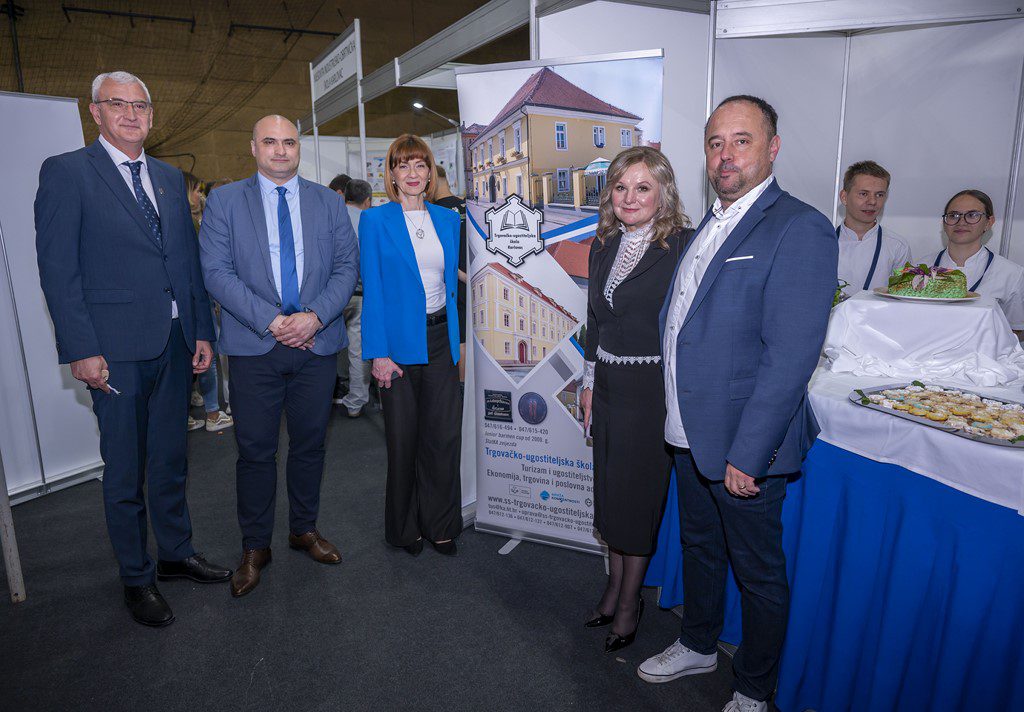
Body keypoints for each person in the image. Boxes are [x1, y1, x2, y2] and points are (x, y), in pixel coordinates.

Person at [638, 96, 837, 712]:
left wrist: (749, 454)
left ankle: (754, 685)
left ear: (772, 148)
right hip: (690, 430)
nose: (726, 155)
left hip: (744, 444)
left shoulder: (799, 228)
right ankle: (698, 644)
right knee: (700, 547)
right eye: (715, 143)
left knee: (758, 572)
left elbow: (790, 357)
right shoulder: (707, 225)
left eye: (741, 141)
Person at [34, 71, 232, 627]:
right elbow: (58, 271)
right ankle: (136, 577)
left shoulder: (167, 177)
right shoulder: (67, 172)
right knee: (125, 471)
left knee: (170, 459)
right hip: (113, 351)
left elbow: (186, 263)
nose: (130, 114)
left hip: (174, 343)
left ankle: (175, 554)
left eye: (140, 105)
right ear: (94, 112)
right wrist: (81, 348)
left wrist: (201, 331)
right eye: (116, 104)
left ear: (151, 115)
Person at [199, 115, 359, 597]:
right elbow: (216, 272)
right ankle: (255, 546)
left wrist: (314, 317)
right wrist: (272, 320)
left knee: (310, 445)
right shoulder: (225, 201)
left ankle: (303, 530)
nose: (280, 150)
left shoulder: (327, 202)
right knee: (255, 451)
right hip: (255, 348)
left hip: (317, 345)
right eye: (270, 141)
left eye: (289, 141)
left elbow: (346, 267)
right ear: (253, 148)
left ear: (298, 148)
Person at [577, 147, 691, 653]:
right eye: (621, 187)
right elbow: (595, 320)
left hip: (652, 393)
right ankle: (613, 586)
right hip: (606, 386)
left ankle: (629, 602)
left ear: (663, 192)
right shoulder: (603, 242)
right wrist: (587, 381)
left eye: (642, 187)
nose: (629, 197)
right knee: (609, 493)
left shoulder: (682, 246)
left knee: (637, 499)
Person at [360, 134, 462, 557]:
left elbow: (453, 282)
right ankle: (404, 528)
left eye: (420, 165)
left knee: (443, 437)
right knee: (403, 440)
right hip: (397, 344)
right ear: (392, 174)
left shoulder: (448, 220)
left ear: (431, 172)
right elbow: (373, 290)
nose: (413, 173)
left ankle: (440, 523)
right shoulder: (375, 221)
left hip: (440, 338)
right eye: (403, 165)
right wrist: (378, 354)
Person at [924, 189, 1024, 337]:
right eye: (953, 215)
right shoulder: (920, 268)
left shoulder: (1011, 274)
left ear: (988, 222)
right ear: (944, 223)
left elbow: (1015, 329)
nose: (961, 222)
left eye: (972, 215)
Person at [183, 171, 233, 433]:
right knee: (208, 354)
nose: (199, 195)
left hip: (198, 298)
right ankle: (213, 413)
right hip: (200, 298)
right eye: (195, 189)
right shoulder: (191, 224)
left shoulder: (194, 221)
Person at [836, 160, 911, 293]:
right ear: (844, 197)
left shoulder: (897, 246)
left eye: (879, 195)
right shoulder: (823, 242)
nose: (872, 201)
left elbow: (903, 296)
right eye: (863, 194)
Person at [337, 178, 373, 417]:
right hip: (361, 294)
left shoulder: (333, 217)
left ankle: (326, 393)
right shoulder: (369, 221)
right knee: (358, 348)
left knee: (325, 346)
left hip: (333, 294)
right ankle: (356, 402)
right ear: (367, 200)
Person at [431, 164, 468, 381]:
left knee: (460, 338)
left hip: (453, 283)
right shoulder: (467, 205)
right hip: (475, 280)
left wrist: (460, 275)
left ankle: (461, 391)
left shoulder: (434, 213)